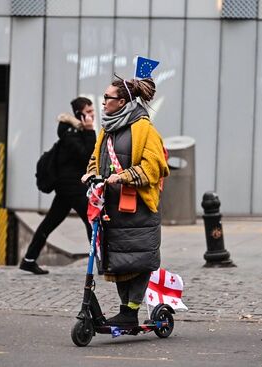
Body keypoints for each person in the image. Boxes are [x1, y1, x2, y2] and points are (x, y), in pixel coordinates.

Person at [81, 76, 169, 327]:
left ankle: (130, 312)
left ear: (121, 102)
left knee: (139, 261)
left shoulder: (144, 129)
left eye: (107, 98)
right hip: (112, 208)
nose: (103, 102)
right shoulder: (107, 128)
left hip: (138, 209)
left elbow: (155, 166)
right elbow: (96, 158)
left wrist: (125, 176)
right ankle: (125, 311)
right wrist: (90, 173)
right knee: (119, 261)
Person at [20, 97, 97, 275]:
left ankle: (28, 260)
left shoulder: (75, 132)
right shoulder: (70, 133)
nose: (93, 115)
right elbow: (87, 155)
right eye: (89, 112)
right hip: (72, 187)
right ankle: (102, 263)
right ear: (79, 114)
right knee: (92, 221)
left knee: (50, 223)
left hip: (69, 187)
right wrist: (90, 131)